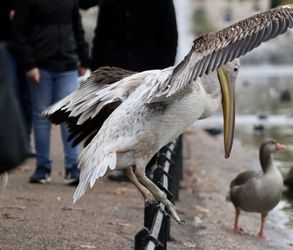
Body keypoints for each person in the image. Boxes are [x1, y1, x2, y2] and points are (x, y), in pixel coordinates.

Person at [79, 0, 178, 181]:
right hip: (117, 70)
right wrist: (97, 68)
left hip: (148, 70)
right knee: (119, 119)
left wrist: (164, 72)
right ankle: (124, 165)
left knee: (147, 120)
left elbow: (169, 36)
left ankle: (145, 165)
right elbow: (101, 34)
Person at [11, 0, 90, 185]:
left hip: (67, 65)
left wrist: (83, 59)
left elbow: (77, 28)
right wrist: (29, 65)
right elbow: (19, 32)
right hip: (40, 66)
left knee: (68, 116)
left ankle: (72, 168)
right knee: (41, 118)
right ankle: (42, 167)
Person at [0, 0, 33, 155]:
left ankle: (24, 142)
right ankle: (8, 145)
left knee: (27, 97)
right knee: (9, 95)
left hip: (27, 45)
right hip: (5, 44)